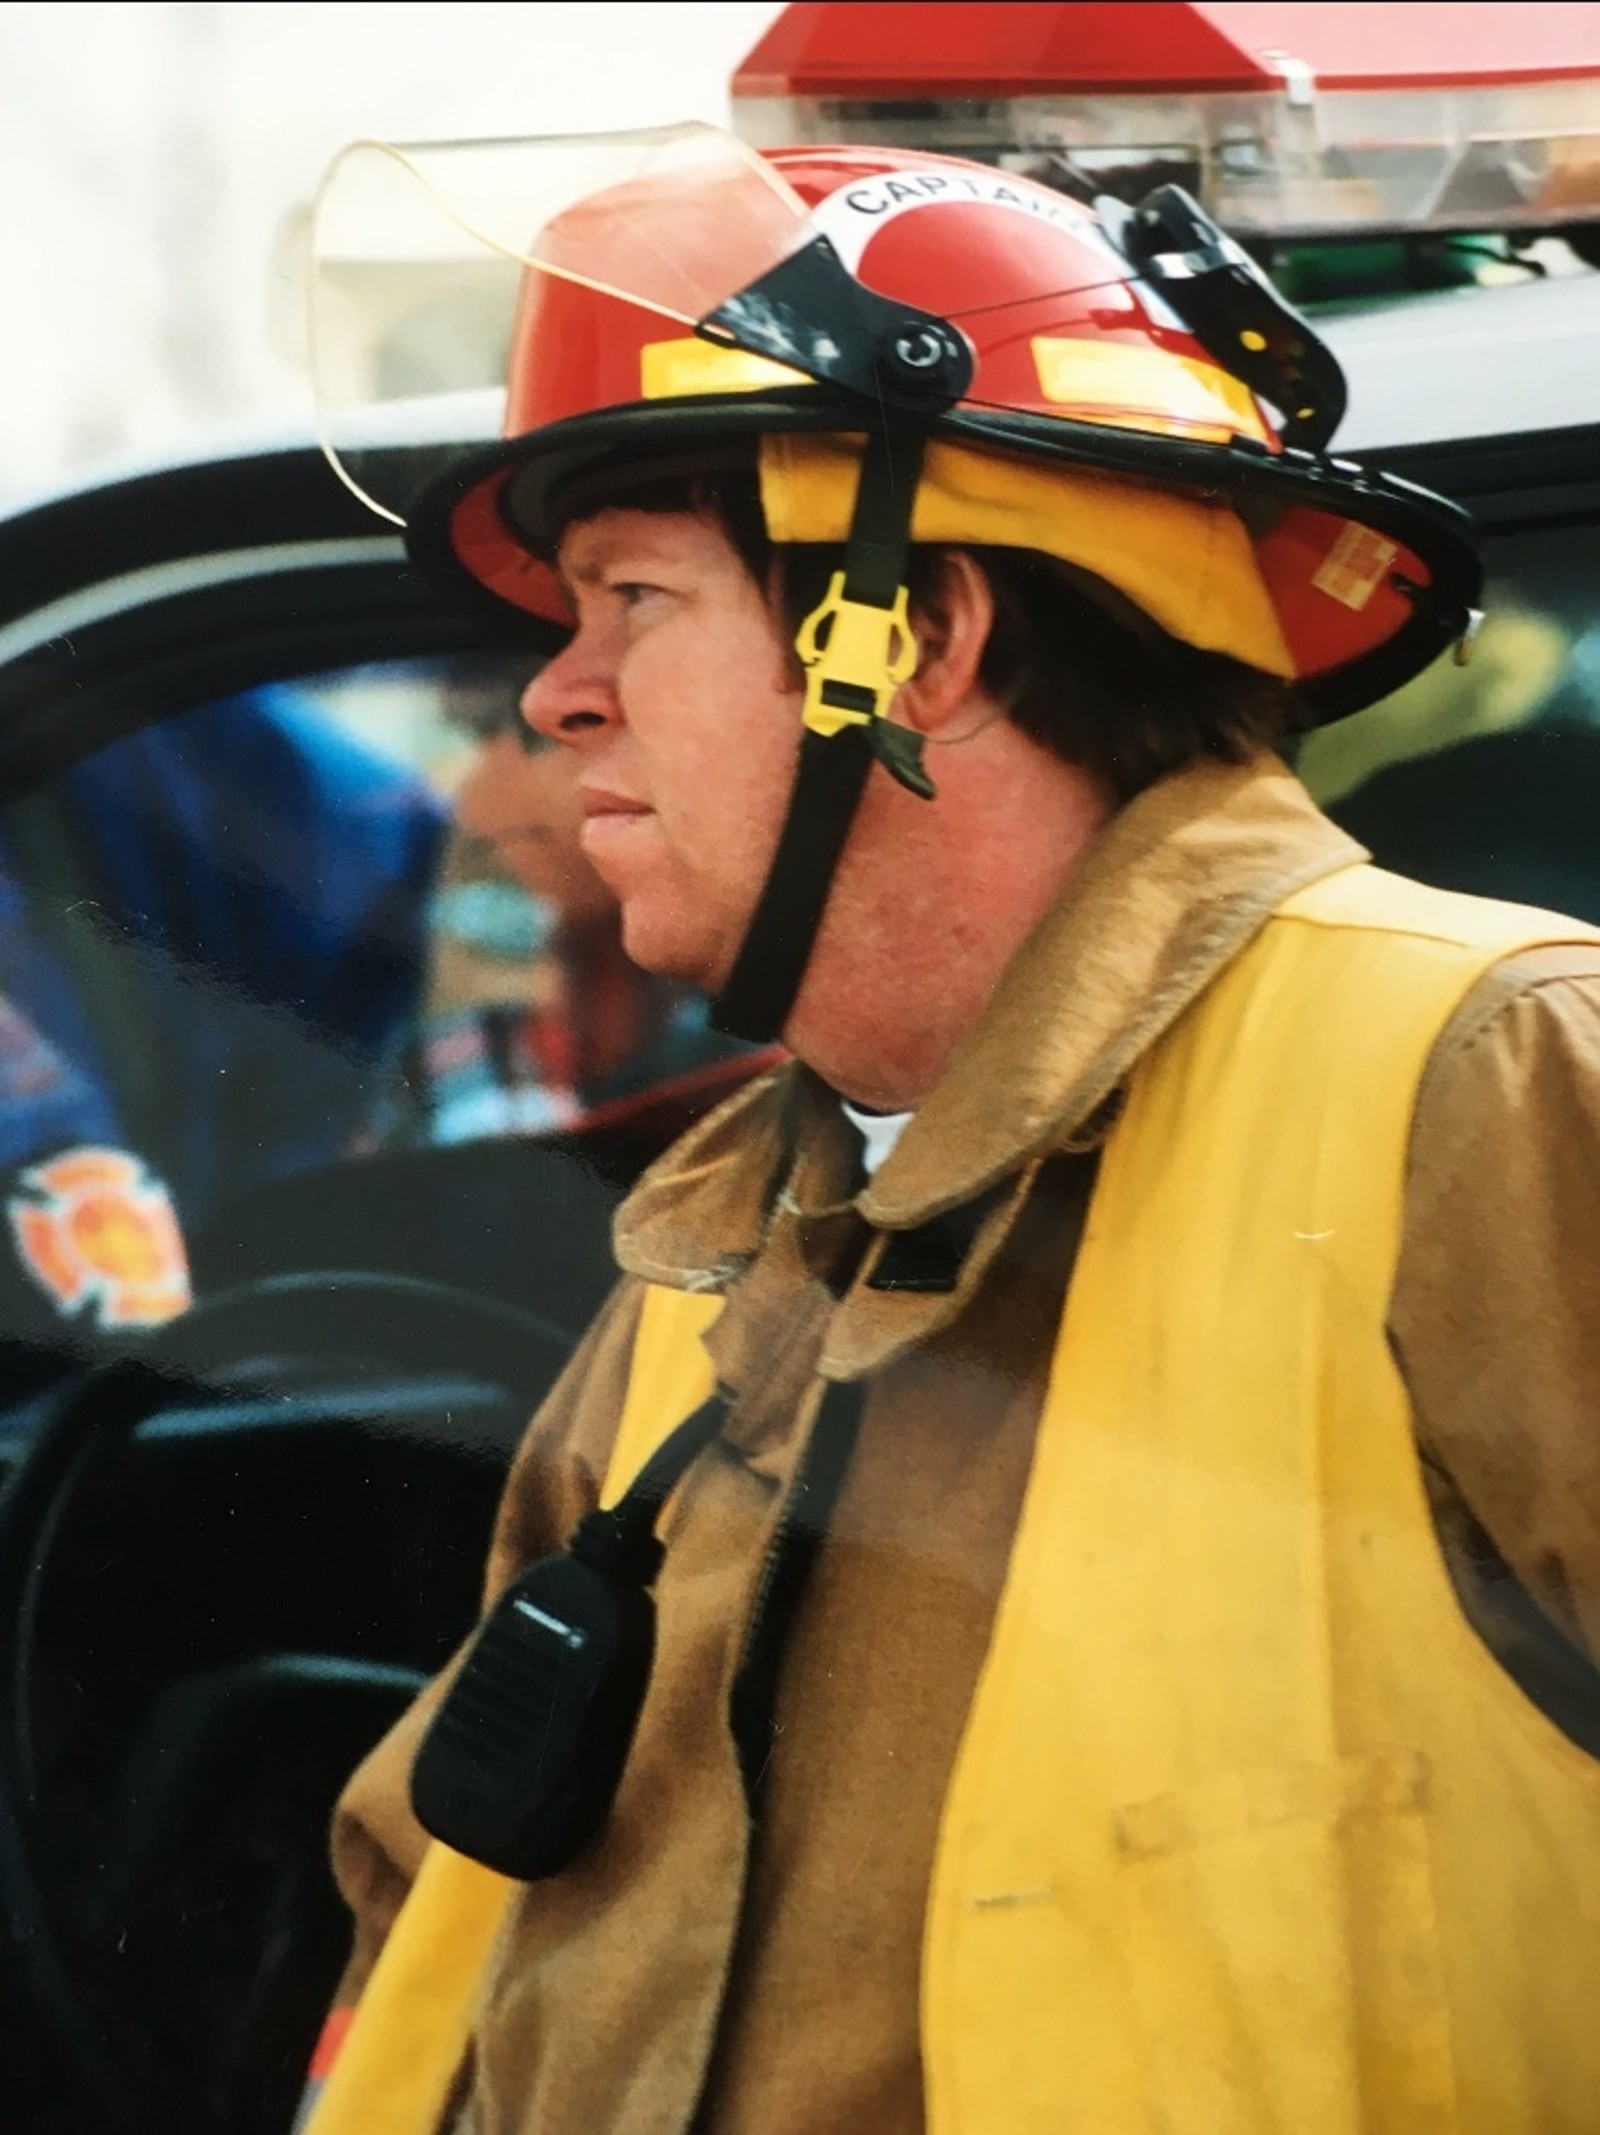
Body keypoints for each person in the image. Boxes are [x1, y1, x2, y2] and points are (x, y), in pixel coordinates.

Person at [302, 134, 1600, 2133]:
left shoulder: (1488, 1087)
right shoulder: (707, 1264)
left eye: (630, 598)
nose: (555, 699)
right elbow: (437, 1951)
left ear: (911, 637)